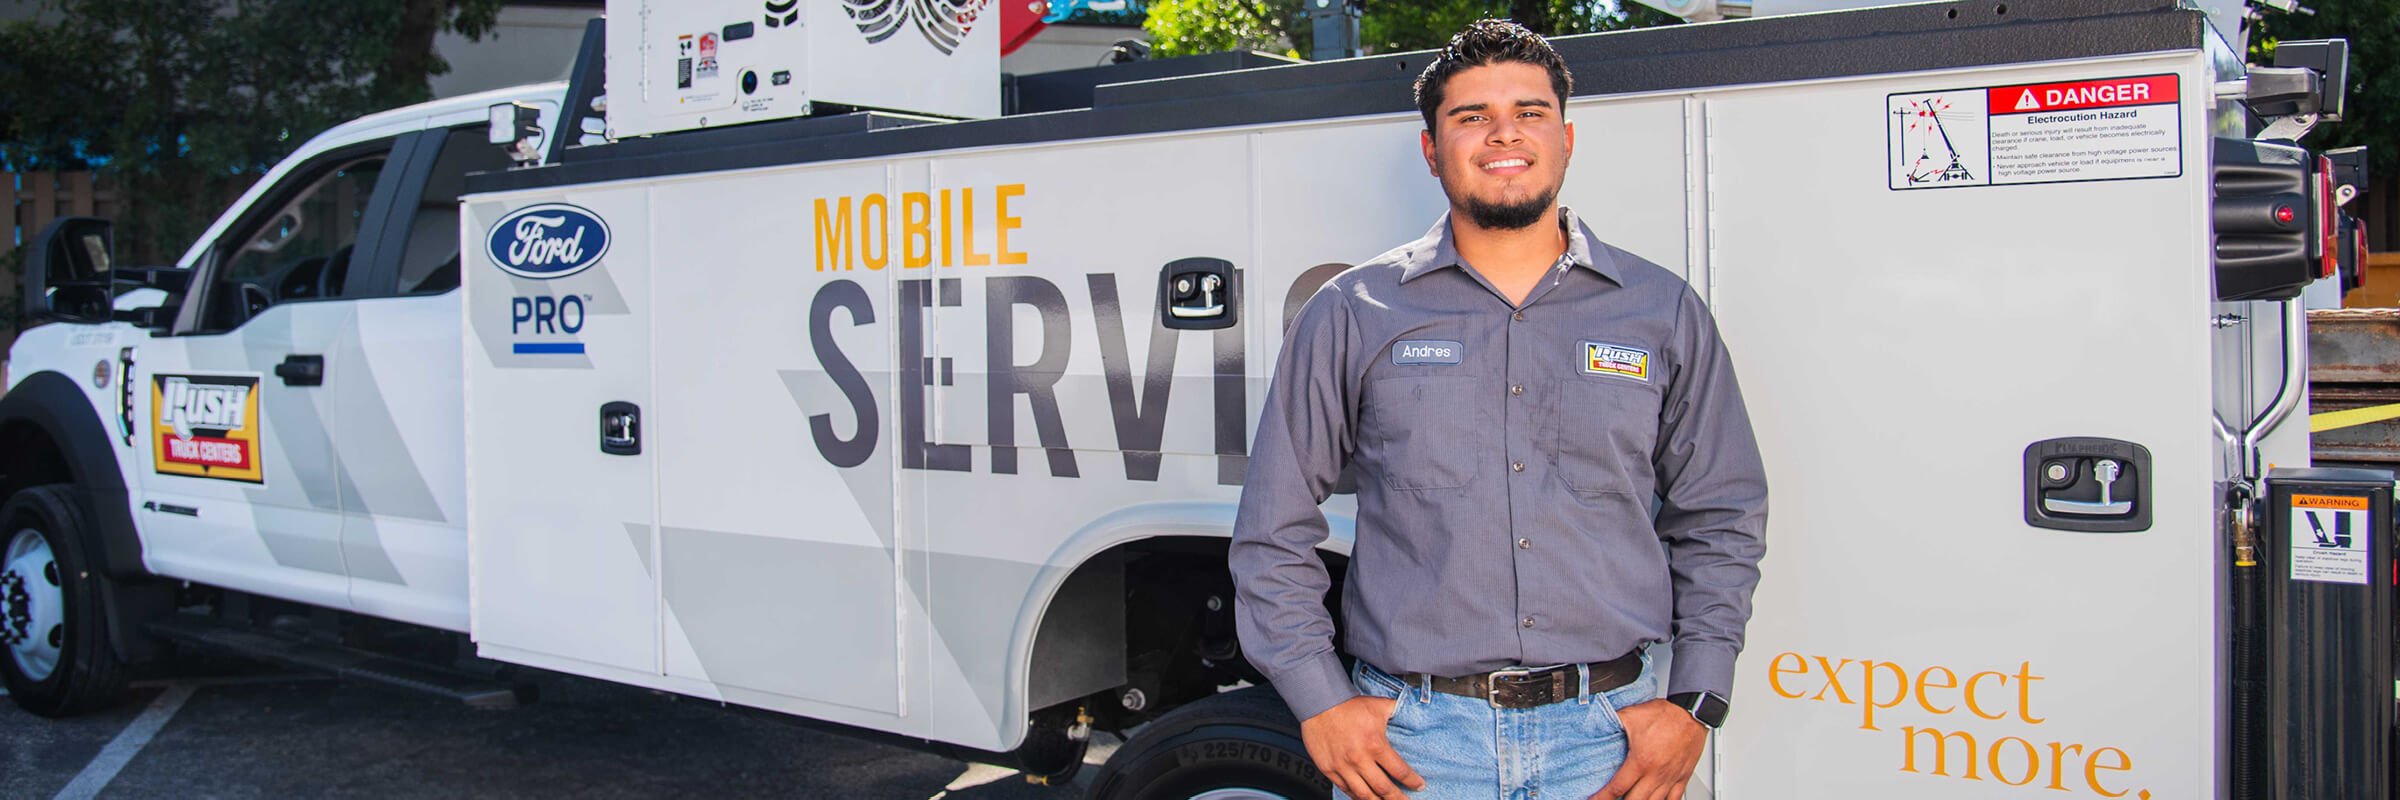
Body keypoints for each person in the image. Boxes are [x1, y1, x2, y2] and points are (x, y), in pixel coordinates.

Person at [1229, 19, 1769, 800]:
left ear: (1567, 138)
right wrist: (1320, 702)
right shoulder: (1353, 311)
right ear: (1431, 148)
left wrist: (1696, 699)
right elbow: (1272, 525)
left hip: (1611, 743)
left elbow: (1722, 512)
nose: (1502, 134)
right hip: (1414, 748)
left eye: (1530, 112)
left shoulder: (1662, 311)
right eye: (1470, 116)